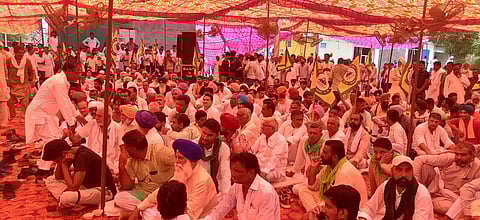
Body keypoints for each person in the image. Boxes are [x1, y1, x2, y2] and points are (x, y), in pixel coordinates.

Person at [132, 139, 217, 220]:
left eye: (180, 158)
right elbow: (161, 192)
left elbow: (191, 215)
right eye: (176, 157)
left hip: (197, 217)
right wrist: (139, 208)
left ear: (192, 161)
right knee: (147, 209)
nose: (176, 161)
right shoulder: (182, 171)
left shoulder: (202, 181)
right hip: (178, 213)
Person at [25, 56, 82, 175]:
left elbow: (66, 101)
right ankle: (43, 169)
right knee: (51, 141)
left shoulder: (62, 81)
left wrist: (77, 115)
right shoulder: (58, 82)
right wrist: (71, 123)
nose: (79, 75)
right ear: (69, 71)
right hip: (39, 114)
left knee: (52, 139)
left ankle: (43, 167)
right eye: (78, 72)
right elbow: (63, 104)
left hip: (46, 114)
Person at [201, 152, 281, 220]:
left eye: (237, 171)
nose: (233, 174)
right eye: (232, 170)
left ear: (251, 172)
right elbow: (222, 207)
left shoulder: (266, 193)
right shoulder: (237, 186)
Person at [114, 129, 175, 218]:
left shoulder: (160, 152)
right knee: (119, 198)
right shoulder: (131, 160)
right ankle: (147, 211)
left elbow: (179, 163)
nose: (125, 150)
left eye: (126, 148)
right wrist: (122, 163)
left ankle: (142, 211)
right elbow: (127, 186)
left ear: (133, 148)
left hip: (162, 195)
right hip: (144, 193)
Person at [414, 142, 480, 220]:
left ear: (472, 156)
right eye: (457, 154)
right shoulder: (449, 158)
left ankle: (449, 215)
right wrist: (417, 187)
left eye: (463, 155)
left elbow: (469, 190)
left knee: (476, 194)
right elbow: (419, 159)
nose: (458, 157)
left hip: (461, 198)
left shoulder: (478, 166)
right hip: (441, 196)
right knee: (426, 167)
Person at [42, 139, 117, 208]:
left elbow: (73, 188)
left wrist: (64, 166)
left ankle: (69, 198)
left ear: (63, 154)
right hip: (85, 186)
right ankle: (75, 199)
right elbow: (58, 177)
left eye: (56, 160)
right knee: (50, 179)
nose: (56, 163)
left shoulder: (83, 156)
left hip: (103, 191)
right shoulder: (73, 151)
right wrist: (61, 162)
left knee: (66, 198)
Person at [298, 140, 368, 212]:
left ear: (334, 157)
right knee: (303, 190)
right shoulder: (328, 167)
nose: (321, 154)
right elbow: (313, 187)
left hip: (350, 209)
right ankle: (317, 213)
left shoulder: (344, 172)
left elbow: (336, 199)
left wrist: (320, 206)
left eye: (325, 152)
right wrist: (313, 169)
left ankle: (317, 213)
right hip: (333, 201)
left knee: (323, 206)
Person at [359, 155, 434, 220]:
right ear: (392, 171)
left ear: (412, 172)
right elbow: (370, 207)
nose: (403, 175)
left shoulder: (421, 193)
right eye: (399, 170)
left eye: (408, 170)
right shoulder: (386, 186)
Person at [68, 105, 123, 174]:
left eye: (99, 116)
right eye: (96, 115)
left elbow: (123, 151)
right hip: (89, 158)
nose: (96, 118)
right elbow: (75, 139)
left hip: (108, 163)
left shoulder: (117, 129)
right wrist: (71, 136)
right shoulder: (92, 123)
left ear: (108, 117)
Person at [195, 119, 232, 194]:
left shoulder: (223, 148)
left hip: (215, 188)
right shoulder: (194, 145)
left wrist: (225, 195)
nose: (205, 137)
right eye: (204, 133)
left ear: (217, 135)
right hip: (196, 186)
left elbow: (225, 173)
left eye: (209, 135)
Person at [250, 117, 288, 183]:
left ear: (272, 128)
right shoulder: (262, 136)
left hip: (275, 170)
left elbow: (275, 159)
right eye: (262, 124)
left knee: (264, 178)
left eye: (265, 125)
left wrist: (265, 171)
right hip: (259, 166)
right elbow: (253, 150)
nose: (262, 127)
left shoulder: (280, 140)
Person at [7, 46, 36, 118]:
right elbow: (6, 71)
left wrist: (33, 80)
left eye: (22, 53)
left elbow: (31, 71)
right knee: (9, 101)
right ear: (15, 53)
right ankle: (12, 116)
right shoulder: (9, 60)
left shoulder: (27, 61)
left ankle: (27, 118)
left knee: (25, 103)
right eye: (19, 53)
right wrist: (7, 80)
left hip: (24, 85)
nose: (21, 54)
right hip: (12, 85)